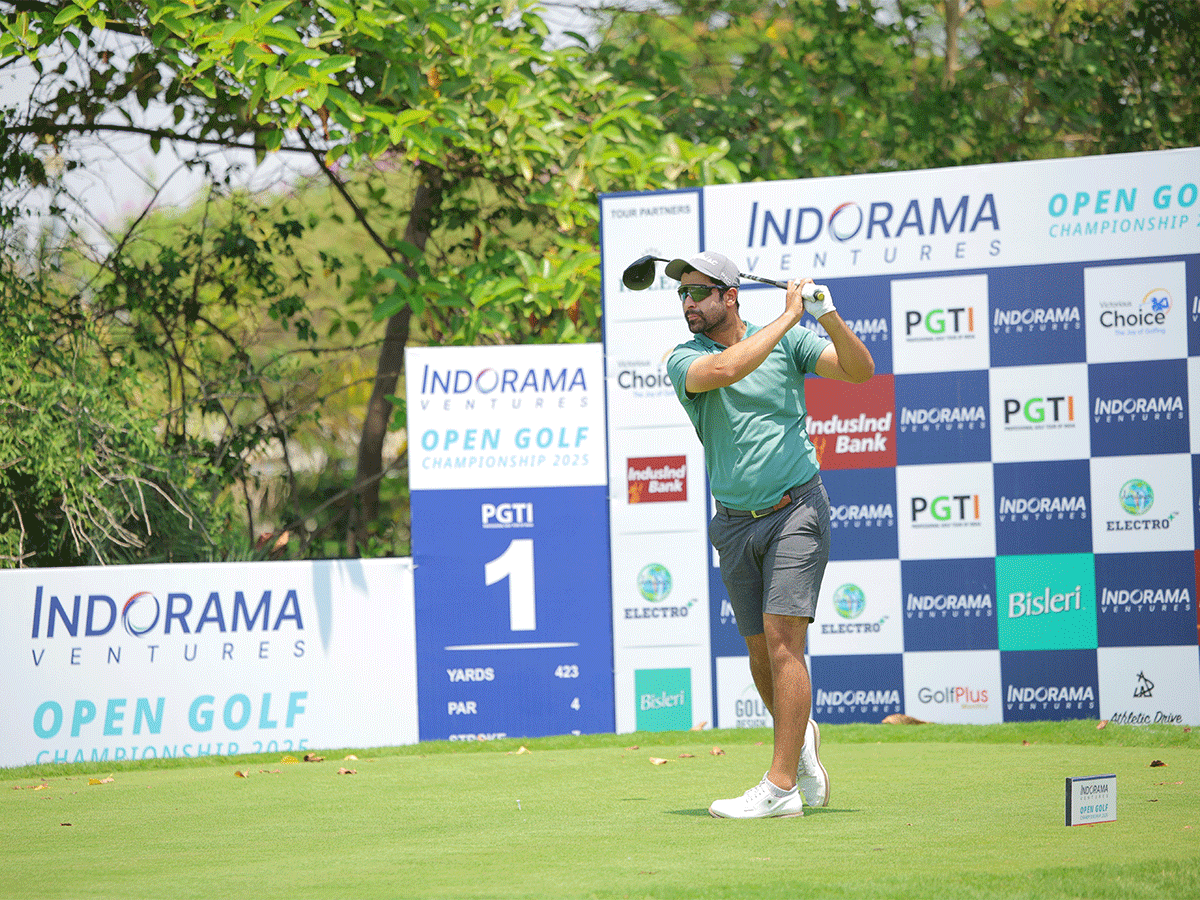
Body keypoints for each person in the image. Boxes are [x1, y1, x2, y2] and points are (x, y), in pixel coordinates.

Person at [663, 250, 874, 819]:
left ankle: (780, 789)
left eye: (698, 292)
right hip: (734, 522)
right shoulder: (684, 357)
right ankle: (798, 741)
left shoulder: (790, 340)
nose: (687, 303)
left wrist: (826, 315)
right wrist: (789, 316)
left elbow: (861, 371)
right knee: (759, 651)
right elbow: (726, 370)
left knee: (783, 644)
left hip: (795, 509)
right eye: (682, 294)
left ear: (729, 296)